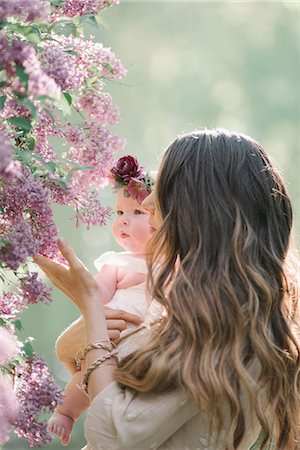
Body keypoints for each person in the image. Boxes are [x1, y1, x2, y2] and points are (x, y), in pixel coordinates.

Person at [35, 129, 300, 450]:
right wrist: (90, 322)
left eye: (164, 188)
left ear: (201, 209)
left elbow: (117, 437)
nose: (145, 201)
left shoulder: (222, 326)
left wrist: (90, 303)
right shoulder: (182, 302)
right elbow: (73, 359)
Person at [47, 155, 155, 446]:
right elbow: (93, 295)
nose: (123, 220)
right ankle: (66, 414)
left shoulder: (174, 262)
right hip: (109, 340)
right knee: (83, 379)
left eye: (136, 212)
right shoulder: (117, 263)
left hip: (146, 349)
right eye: (119, 212)